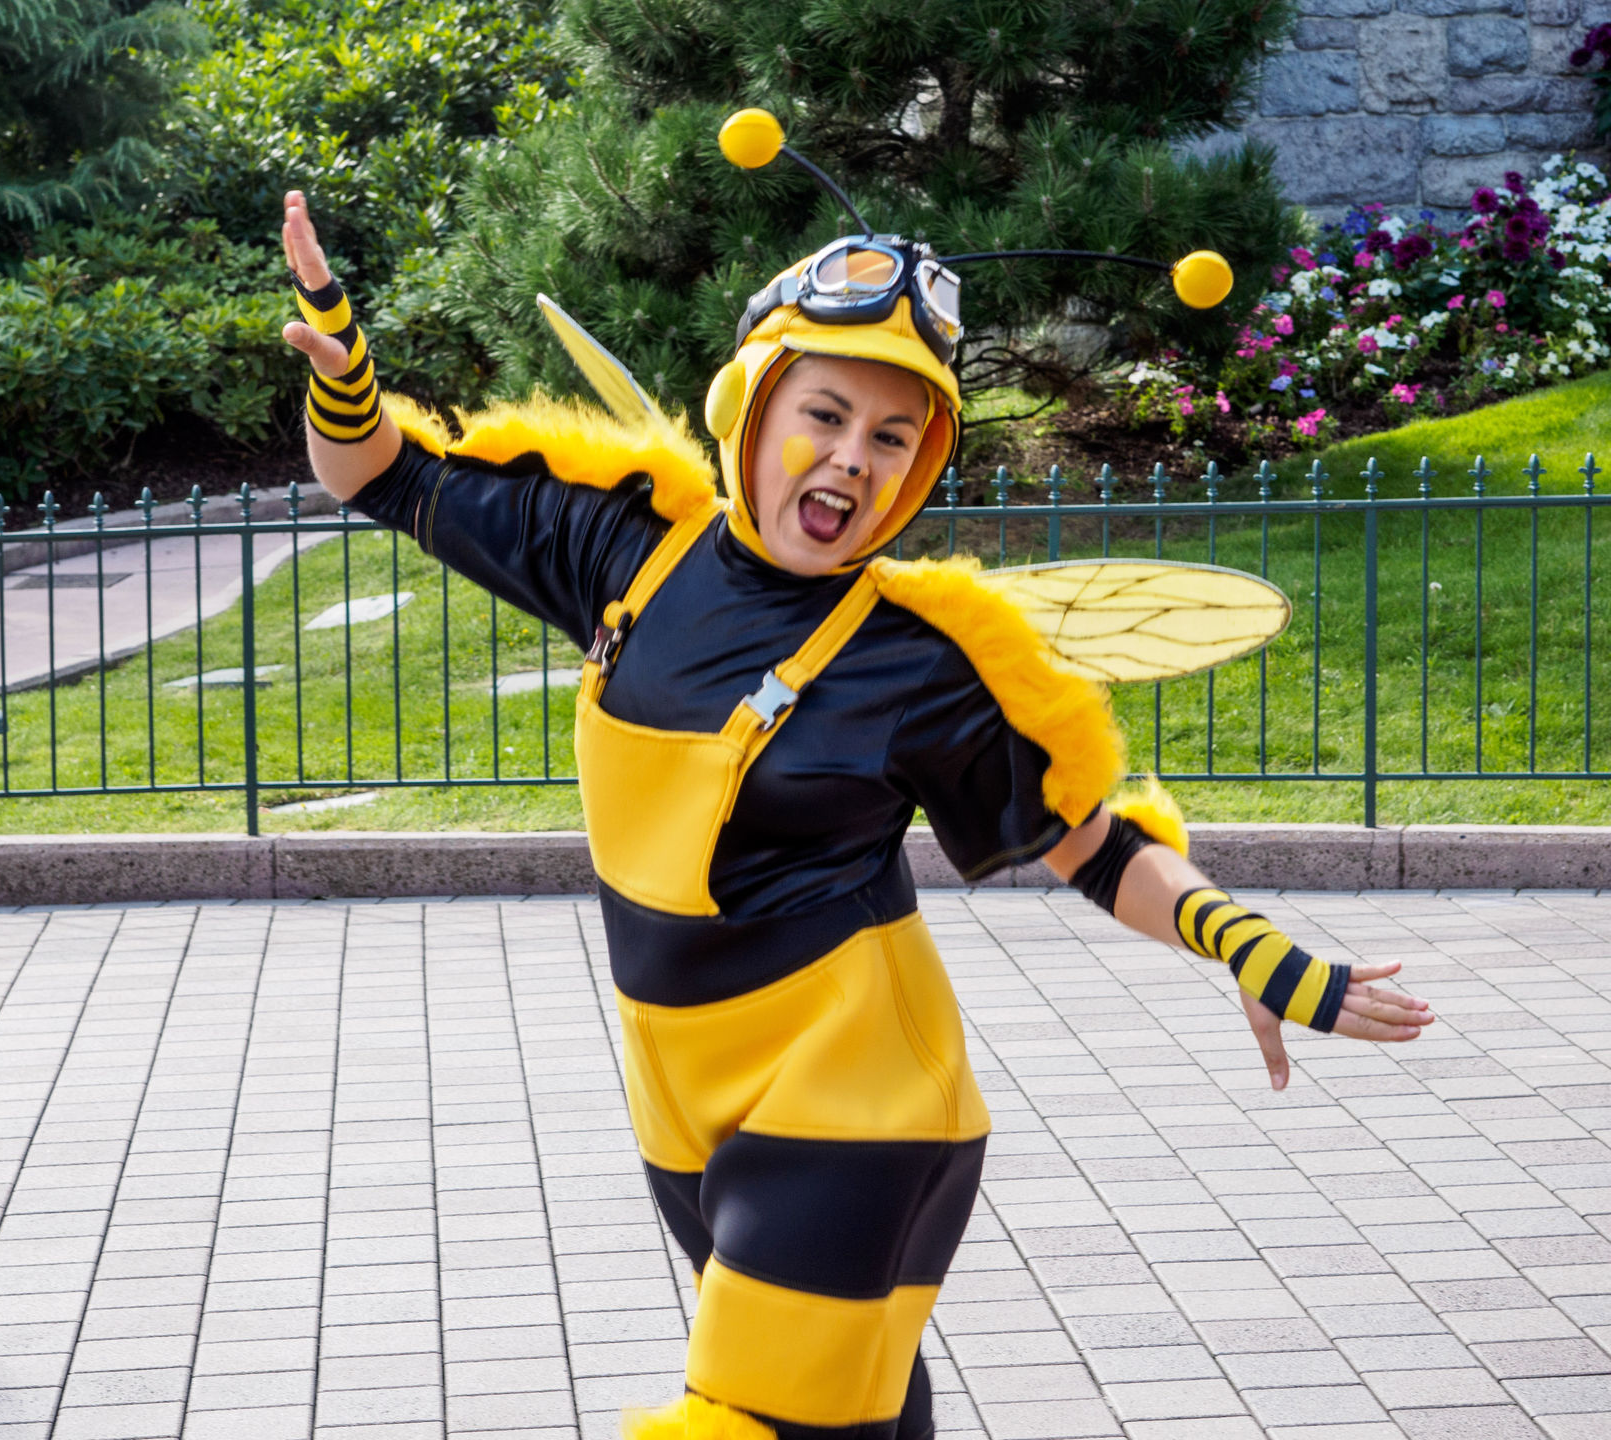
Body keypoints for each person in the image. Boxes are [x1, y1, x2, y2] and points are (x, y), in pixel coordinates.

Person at [278, 182, 1435, 1440]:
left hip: (857, 1101)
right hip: (682, 1091)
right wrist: (343, 369)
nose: (851, 459)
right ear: (750, 406)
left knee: (749, 1420)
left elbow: (1093, 845)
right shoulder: (630, 549)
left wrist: (1251, 950)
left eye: (893, 437)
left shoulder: (921, 659)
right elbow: (381, 476)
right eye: (824, 415)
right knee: (849, 1416)